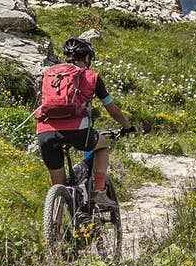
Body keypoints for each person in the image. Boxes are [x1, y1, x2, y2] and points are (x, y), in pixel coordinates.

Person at [35, 36, 134, 208]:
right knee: (103, 146)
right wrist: (127, 127)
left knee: (59, 188)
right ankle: (99, 193)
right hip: (78, 131)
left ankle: (55, 230)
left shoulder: (50, 74)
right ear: (87, 58)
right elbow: (112, 109)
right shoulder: (91, 77)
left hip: (45, 132)